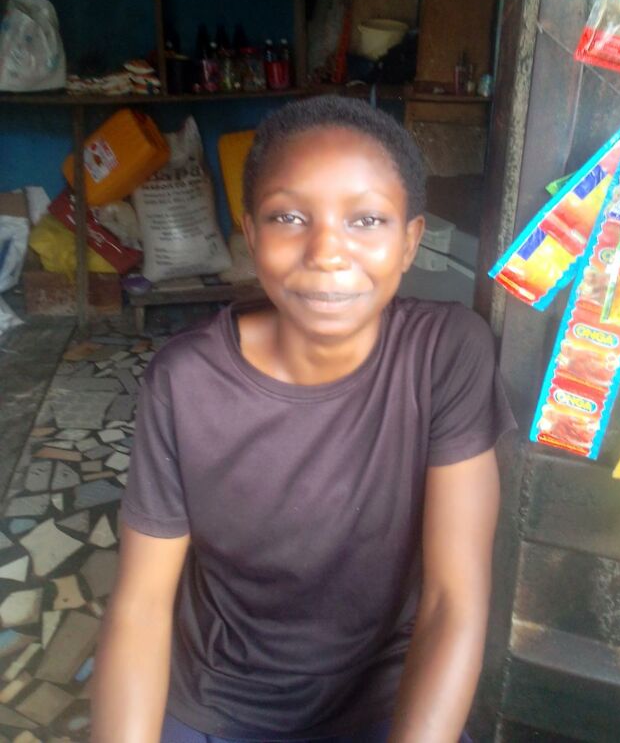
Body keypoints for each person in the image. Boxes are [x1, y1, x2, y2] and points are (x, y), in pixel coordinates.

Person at [92, 96, 515, 743]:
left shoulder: (446, 354)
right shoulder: (185, 381)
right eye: (289, 216)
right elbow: (142, 605)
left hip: (385, 698)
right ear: (250, 233)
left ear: (410, 241)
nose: (327, 252)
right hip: (218, 701)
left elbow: (452, 601)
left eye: (366, 219)